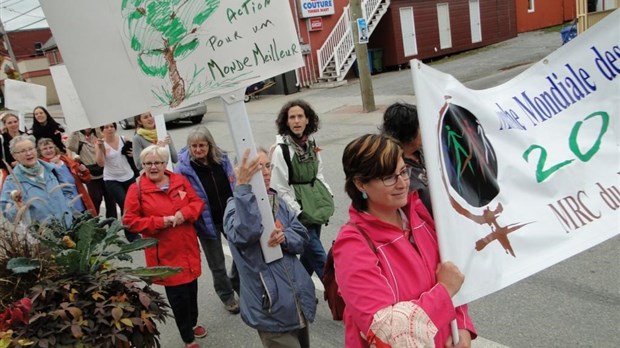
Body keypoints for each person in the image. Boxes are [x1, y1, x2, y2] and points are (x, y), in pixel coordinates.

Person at [334, 134, 476, 347]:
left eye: (403, 172)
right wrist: (444, 291)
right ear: (360, 183)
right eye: (388, 177)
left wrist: (463, 326)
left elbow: (451, 275)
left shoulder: (419, 213)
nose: (402, 183)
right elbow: (386, 332)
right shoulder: (352, 245)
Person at [224, 148, 316, 348]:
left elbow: (301, 236)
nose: (266, 172)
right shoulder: (233, 207)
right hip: (271, 307)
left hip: (296, 300)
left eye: (268, 166)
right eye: (258, 168)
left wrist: (285, 237)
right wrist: (243, 188)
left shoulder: (278, 201)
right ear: (243, 172)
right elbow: (245, 233)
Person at [122, 145, 206, 348]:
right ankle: (188, 337)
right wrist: (161, 222)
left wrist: (185, 214)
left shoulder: (179, 180)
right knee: (178, 298)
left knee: (192, 291)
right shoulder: (137, 189)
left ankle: (192, 322)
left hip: (187, 247)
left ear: (164, 163)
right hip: (166, 254)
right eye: (148, 163)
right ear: (142, 165)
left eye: (157, 162)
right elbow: (130, 221)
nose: (153, 167)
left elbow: (197, 202)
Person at [174, 126, 240, 314]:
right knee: (217, 263)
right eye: (194, 146)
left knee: (242, 254)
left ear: (210, 145)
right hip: (206, 222)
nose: (198, 150)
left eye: (202, 145)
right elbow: (181, 197)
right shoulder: (183, 169)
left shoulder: (223, 159)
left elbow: (234, 182)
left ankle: (236, 280)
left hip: (230, 217)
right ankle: (227, 296)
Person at [271, 100, 334, 280]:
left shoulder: (313, 143)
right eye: (292, 117)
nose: (297, 121)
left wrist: (327, 194)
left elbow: (318, 173)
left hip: (315, 204)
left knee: (309, 254)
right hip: (299, 211)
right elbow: (279, 188)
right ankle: (337, 295)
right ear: (286, 121)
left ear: (308, 120)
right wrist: (298, 212)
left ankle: (299, 288)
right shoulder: (281, 151)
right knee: (320, 257)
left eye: (300, 116)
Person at [0, 134, 74, 226]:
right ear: (14, 156)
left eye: (31, 149)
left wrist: (67, 209)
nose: (28, 153)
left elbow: (68, 192)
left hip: (68, 228)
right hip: (43, 236)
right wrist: (17, 208)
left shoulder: (53, 169)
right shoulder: (12, 181)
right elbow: (8, 215)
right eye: (23, 151)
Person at [380, 102, 432, 215]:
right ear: (408, 132)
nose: (426, 130)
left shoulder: (424, 152)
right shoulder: (394, 168)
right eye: (421, 127)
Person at [94, 123, 137, 241]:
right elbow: (100, 163)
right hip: (112, 179)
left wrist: (133, 153)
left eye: (112, 126)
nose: (109, 129)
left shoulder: (123, 139)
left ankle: (134, 228)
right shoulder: (100, 144)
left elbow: (135, 154)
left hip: (128, 176)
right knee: (125, 203)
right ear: (102, 130)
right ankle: (131, 235)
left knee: (133, 204)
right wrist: (100, 148)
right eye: (106, 127)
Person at [38, 138, 97, 216]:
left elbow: (86, 179)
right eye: (45, 149)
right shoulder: (41, 166)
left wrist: (84, 171)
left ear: (55, 148)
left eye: (50, 147)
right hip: (63, 209)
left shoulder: (65, 160)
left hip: (80, 203)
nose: (49, 150)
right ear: (40, 152)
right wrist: (53, 165)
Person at [68, 128, 117, 218]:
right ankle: (94, 222)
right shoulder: (78, 136)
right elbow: (71, 147)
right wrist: (74, 132)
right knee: (95, 198)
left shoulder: (98, 133)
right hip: (90, 173)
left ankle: (113, 223)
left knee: (110, 198)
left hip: (105, 170)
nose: (87, 127)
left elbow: (107, 142)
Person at [0, 112, 25, 186]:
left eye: (15, 122)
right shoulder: (2, 139)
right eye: (10, 123)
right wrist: (10, 164)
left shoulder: (27, 136)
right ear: (5, 125)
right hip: (11, 174)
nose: (13, 124)